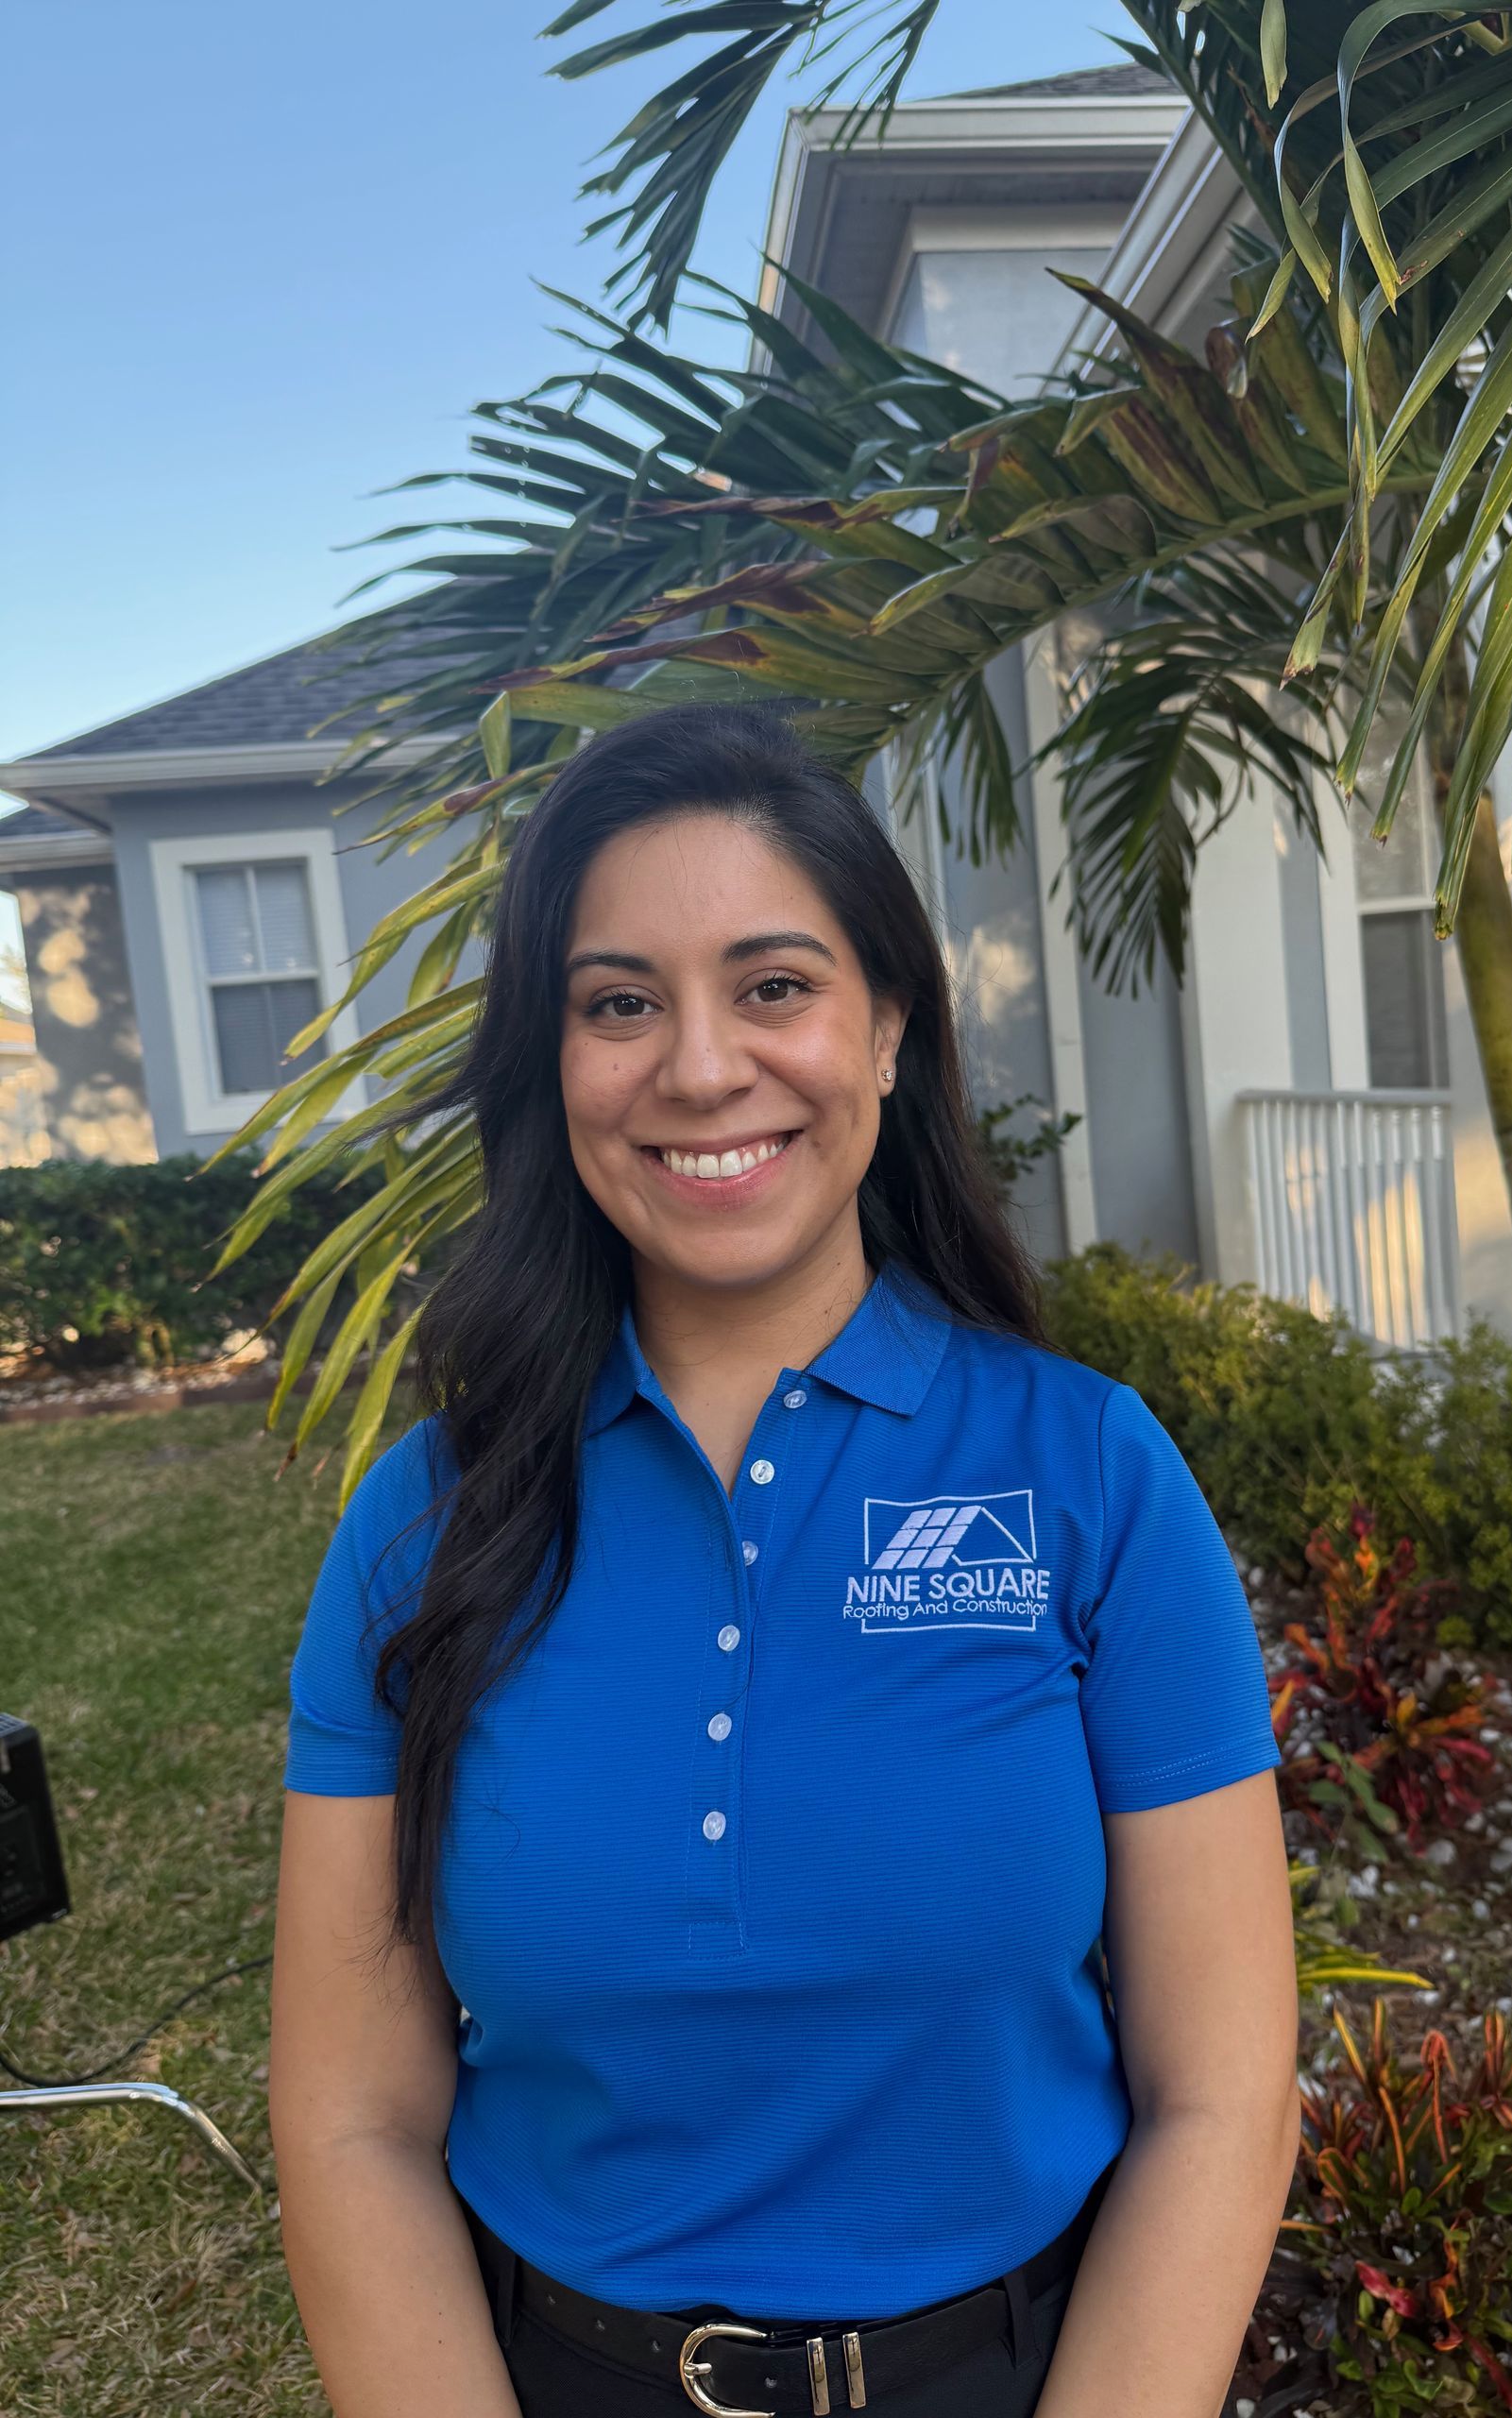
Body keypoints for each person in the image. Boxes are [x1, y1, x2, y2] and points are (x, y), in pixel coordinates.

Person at [269, 702, 1300, 2418]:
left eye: (773, 986)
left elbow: (1224, 2086)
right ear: (557, 1061)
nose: (696, 1067)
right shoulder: (424, 1522)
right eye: (619, 1003)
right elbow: (354, 2118)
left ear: (888, 1028)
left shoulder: (1087, 1474)